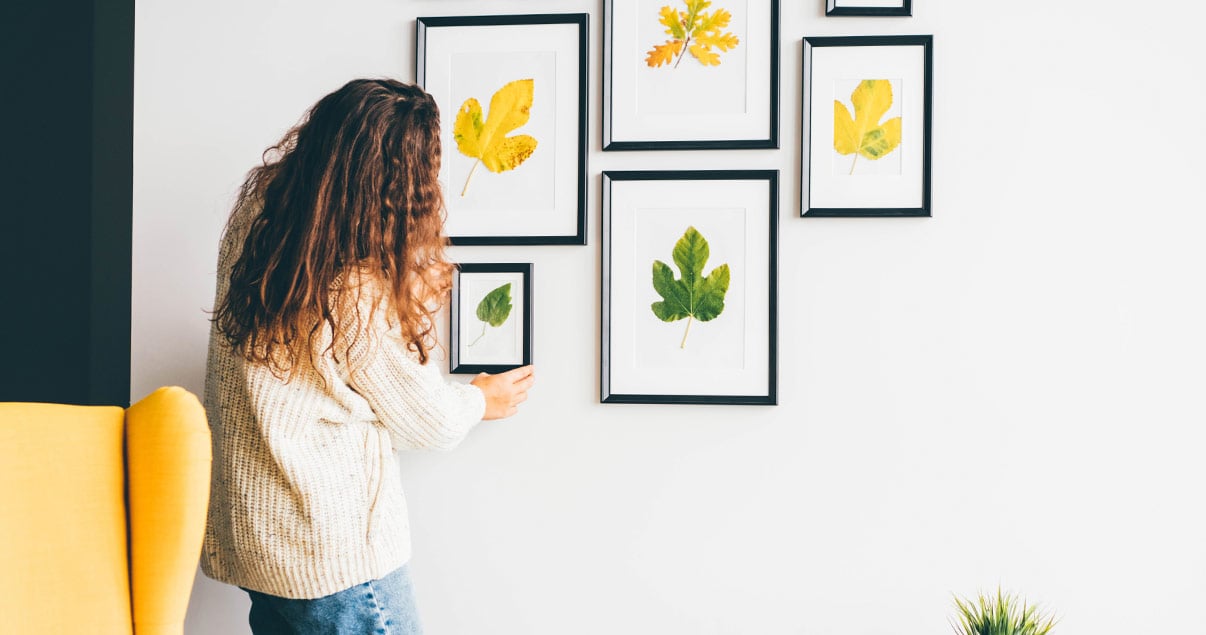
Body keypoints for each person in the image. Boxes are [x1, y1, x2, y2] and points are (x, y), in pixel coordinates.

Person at [204, 78, 534, 634]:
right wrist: (481, 398)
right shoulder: (356, 284)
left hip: (255, 541)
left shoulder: (259, 218)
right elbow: (426, 420)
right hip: (332, 558)